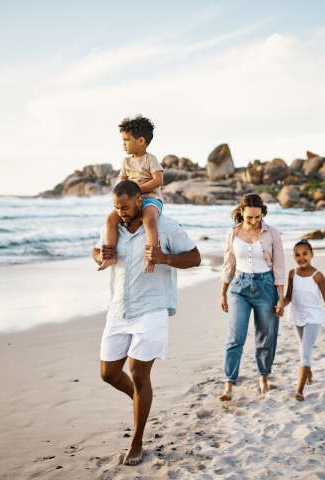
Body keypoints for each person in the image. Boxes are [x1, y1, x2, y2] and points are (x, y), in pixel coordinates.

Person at [92, 180, 201, 466]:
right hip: (118, 309)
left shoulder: (164, 226)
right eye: (116, 207)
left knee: (139, 372)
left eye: (125, 207)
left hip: (152, 308)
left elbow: (195, 257)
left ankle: (137, 441)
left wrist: (165, 258)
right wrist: (99, 254)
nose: (121, 212)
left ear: (140, 201)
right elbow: (96, 251)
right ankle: (142, 400)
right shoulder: (114, 225)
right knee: (108, 373)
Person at [219, 193, 285, 401]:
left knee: (266, 336)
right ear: (242, 213)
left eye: (258, 217)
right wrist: (223, 292)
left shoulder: (272, 233)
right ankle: (229, 384)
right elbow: (228, 264)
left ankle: (263, 377)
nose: (254, 221)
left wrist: (281, 296)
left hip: (266, 287)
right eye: (250, 218)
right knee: (235, 337)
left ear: (262, 213)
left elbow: (279, 266)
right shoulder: (232, 233)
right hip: (239, 287)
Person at [98, 115, 164, 274]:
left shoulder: (150, 159)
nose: (124, 144)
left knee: (149, 220)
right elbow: (122, 185)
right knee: (110, 219)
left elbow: (158, 180)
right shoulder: (126, 162)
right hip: (131, 201)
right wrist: (132, 191)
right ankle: (110, 256)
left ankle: (151, 258)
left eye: (127, 140)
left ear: (141, 141)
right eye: (123, 140)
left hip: (150, 199)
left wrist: (136, 189)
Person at [279, 240, 325, 401]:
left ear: (312, 254)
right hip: (298, 314)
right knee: (303, 348)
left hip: (313, 316)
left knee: (304, 352)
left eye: (305, 254)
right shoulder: (292, 273)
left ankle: (299, 390)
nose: (301, 257)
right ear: (293, 257)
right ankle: (308, 370)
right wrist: (280, 305)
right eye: (297, 255)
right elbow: (289, 297)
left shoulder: (317, 276)